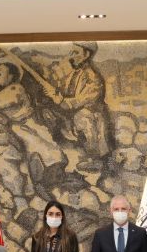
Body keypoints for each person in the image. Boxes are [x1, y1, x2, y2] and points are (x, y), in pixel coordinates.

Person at [43, 41, 112, 171]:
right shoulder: (74, 73)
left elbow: (81, 100)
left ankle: (95, 159)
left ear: (86, 55)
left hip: (90, 114)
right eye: (71, 52)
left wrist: (59, 99)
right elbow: (64, 91)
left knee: (84, 117)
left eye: (75, 53)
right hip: (71, 112)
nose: (71, 56)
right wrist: (53, 92)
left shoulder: (92, 77)